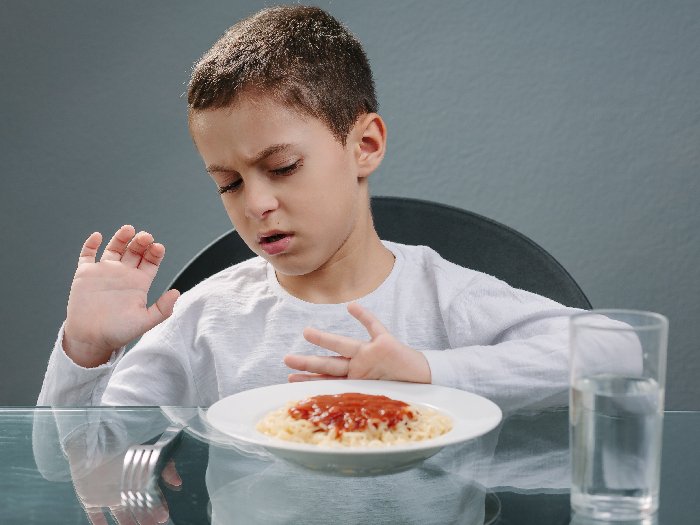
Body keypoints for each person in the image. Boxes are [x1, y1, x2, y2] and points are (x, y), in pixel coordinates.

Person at [38, 5, 580, 413]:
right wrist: (84, 353)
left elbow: (618, 353)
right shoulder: (205, 320)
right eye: (228, 184)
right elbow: (72, 465)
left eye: (282, 168)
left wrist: (429, 370)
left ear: (363, 146)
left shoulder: (444, 299)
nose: (257, 203)